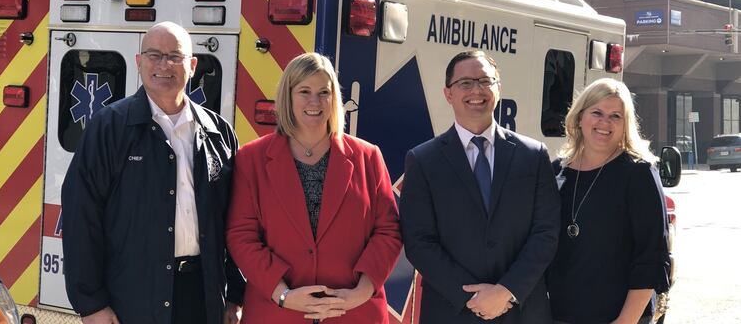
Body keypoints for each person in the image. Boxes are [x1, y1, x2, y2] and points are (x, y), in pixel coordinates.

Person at [62, 21, 244, 324]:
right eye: (154, 55)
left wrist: (236, 295)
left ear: (193, 65)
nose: (164, 65)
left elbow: (237, 221)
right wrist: (91, 303)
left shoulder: (218, 133)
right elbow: (81, 215)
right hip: (131, 297)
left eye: (175, 56)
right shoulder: (109, 128)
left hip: (202, 295)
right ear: (138, 62)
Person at [226, 52, 402, 323]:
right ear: (288, 96)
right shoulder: (251, 159)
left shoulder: (368, 157)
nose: (314, 101)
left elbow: (388, 231)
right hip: (277, 312)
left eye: (324, 92)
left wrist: (360, 292)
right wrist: (283, 295)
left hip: (355, 312)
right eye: (304, 91)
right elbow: (242, 235)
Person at [400, 50, 560, 323]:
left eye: (486, 81)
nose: (477, 90)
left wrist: (507, 291)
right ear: (448, 94)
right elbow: (418, 241)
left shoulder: (533, 155)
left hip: (521, 311)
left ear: (499, 88)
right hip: (452, 311)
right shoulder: (423, 160)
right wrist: (471, 297)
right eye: (465, 83)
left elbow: (546, 232)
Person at [548, 78, 670, 324]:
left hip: (620, 316)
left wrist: (625, 321)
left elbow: (652, 257)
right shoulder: (557, 171)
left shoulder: (639, 173)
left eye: (616, 116)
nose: (605, 122)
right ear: (580, 117)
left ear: (626, 125)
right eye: (597, 112)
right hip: (560, 314)